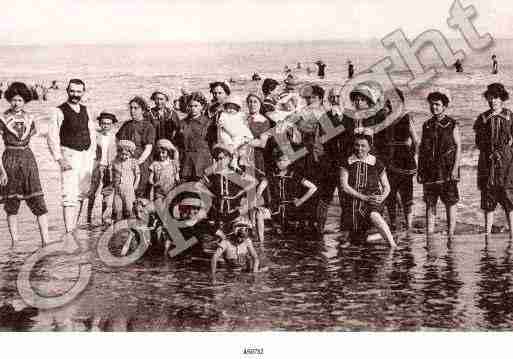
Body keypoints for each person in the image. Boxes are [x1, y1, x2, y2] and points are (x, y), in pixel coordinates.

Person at [0, 82, 49, 247]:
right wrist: (2, 171)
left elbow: (33, 143)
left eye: (20, 100)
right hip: (9, 160)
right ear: (9, 100)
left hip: (28, 160)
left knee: (38, 200)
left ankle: (46, 241)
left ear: (25, 101)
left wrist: (35, 165)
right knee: (11, 203)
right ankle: (15, 242)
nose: (16, 103)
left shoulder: (30, 118)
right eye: (13, 100)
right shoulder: (3, 118)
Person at [47, 78, 96, 234]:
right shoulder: (58, 111)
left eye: (78, 91)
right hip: (69, 154)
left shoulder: (86, 110)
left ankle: (73, 227)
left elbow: (92, 134)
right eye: (72, 91)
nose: (75, 94)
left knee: (82, 192)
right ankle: (69, 232)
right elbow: (52, 137)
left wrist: (92, 156)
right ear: (67, 91)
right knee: (69, 194)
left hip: (86, 156)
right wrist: (59, 159)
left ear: (83, 92)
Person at [339, 129, 397, 248]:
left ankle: (393, 245)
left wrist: (381, 198)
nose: (359, 148)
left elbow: (387, 187)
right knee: (355, 241)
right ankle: (386, 234)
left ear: (369, 147)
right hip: (354, 202)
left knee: (374, 215)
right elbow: (344, 187)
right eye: (357, 145)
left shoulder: (376, 163)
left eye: (363, 146)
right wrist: (363, 197)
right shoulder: (347, 162)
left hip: (373, 200)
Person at [418, 88, 461, 239]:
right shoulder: (426, 125)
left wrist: (455, 168)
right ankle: (430, 235)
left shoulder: (452, 124)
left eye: (437, 104)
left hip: (448, 169)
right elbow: (422, 149)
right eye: (431, 104)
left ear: (444, 106)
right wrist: (420, 170)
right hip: (430, 170)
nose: (434, 107)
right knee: (430, 203)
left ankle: (450, 234)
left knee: (450, 202)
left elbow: (459, 147)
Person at [474, 83, 513, 239]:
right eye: (490, 97)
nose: (493, 101)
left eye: (496, 97)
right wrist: (489, 151)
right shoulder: (482, 118)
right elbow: (478, 141)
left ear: (501, 98)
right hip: (487, 161)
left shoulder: (510, 116)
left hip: (507, 163)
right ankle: (487, 235)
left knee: (509, 197)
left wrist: (506, 151)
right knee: (488, 197)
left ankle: (512, 235)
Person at [384, 88, 419, 232]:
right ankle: (393, 223)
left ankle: (409, 225)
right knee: (390, 193)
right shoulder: (385, 118)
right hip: (389, 159)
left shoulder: (406, 117)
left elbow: (416, 141)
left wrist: (414, 156)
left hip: (404, 160)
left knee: (407, 193)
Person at [116, 96, 155, 200]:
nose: (132, 111)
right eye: (131, 108)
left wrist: (138, 162)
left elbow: (148, 148)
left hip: (142, 162)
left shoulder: (148, 126)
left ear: (142, 110)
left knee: (141, 191)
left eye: (136, 108)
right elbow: (117, 141)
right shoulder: (126, 125)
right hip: (126, 161)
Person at [268, 153, 318, 233]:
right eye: (278, 160)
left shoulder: (294, 175)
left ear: (289, 162)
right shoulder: (272, 175)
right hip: (276, 210)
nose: (281, 163)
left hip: (292, 210)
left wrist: (301, 200)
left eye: (284, 160)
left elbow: (313, 188)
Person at [87, 112, 118, 224]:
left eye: (108, 124)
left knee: (107, 192)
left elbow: (117, 153)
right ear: (100, 123)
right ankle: (88, 218)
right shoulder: (95, 135)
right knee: (92, 193)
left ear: (112, 125)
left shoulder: (115, 137)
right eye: (103, 123)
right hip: (96, 166)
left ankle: (103, 218)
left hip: (109, 167)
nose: (105, 126)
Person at [210, 217, 261, 283]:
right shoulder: (226, 242)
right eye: (240, 237)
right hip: (230, 272)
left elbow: (255, 258)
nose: (241, 240)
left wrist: (254, 274)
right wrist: (213, 276)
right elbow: (214, 258)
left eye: (243, 238)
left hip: (244, 271)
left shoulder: (247, 241)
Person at [180, 91, 213, 181]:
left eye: (196, 106)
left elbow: (212, 143)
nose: (193, 109)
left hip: (203, 161)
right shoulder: (183, 123)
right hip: (186, 162)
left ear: (202, 107)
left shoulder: (208, 123)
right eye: (190, 106)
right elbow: (178, 144)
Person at [106, 140, 140, 221]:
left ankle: (130, 228)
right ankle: (118, 227)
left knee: (129, 209)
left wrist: (135, 185)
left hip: (129, 189)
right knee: (117, 210)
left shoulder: (133, 162)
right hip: (118, 190)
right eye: (122, 154)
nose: (124, 156)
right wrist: (111, 182)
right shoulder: (115, 162)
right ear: (119, 152)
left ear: (130, 154)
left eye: (126, 155)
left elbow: (137, 175)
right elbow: (111, 174)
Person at [149, 90, 182, 158]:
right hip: (154, 147)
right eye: (157, 99)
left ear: (166, 100)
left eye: (161, 99)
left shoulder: (172, 113)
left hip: (170, 147)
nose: (159, 102)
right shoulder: (149, 114)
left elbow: (178, 130)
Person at [206, 81, 231, 149]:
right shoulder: (209, 109)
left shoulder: (231, 109)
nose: (217, 96)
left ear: (226, 94)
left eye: (220, 93)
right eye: (214, 93)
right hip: (212, 143)